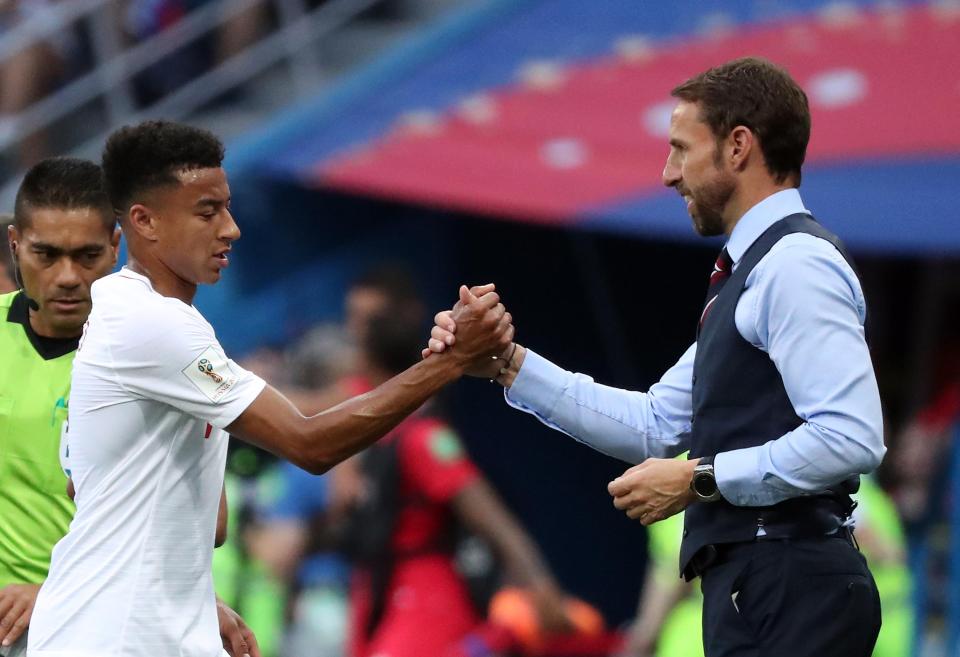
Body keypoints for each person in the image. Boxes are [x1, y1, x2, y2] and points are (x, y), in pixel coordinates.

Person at [425, 57, 885, 657]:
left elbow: (853, 437)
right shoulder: (755, 272)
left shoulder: (794, 265)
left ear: (738, 147)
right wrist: (508, 363)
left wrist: (700, 479)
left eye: (680, 149)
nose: (669, 174)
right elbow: (654, 425)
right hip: (765, 586)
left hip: (791, 583)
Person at [25, 121, 511, 657]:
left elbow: (176, 514)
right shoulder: (152, 324)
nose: (230, 228)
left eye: (227, 208)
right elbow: (311, 443)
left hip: (141, 627)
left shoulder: (130, 315)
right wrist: (451, 363)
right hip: (110, 639)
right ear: (145, 222)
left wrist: (190, 600)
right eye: (207, 212)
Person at [0, 157, 257, 657]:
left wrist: (56, 593)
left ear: (117, 246)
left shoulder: (156, 349)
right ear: (15, 246)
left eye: (88, 255)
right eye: (46, 255)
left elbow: (212, 520)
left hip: (94, 622)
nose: (68, 276)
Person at [344, 306, 570, 657]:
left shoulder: (423, 438)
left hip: (427, 599)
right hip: (381, 591)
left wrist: (541, 586)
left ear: (368, 361)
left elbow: (491, 517)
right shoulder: (376, 434)